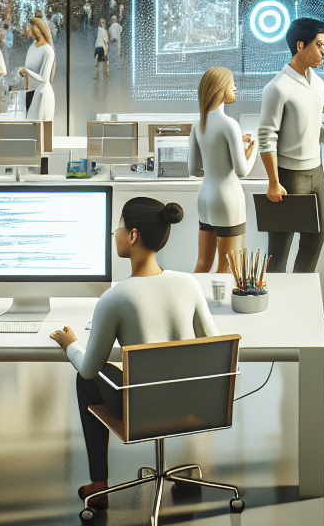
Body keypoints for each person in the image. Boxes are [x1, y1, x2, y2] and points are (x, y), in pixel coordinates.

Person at [49, 197, 218, 512]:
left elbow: (88, 369)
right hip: (191, 404)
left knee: (85, 379)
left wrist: (71, 344)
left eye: (119, 226)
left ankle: (99, 487)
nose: (115, 232)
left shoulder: (115, 298)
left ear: (133, 235)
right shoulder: (188, 284)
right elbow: (215, 345)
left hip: (143, 411)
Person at [259, 18, 324, 276]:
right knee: (279, 247)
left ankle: (301, 291)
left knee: (316, 237)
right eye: (319, 45)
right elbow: (267, 137)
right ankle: (275, 302)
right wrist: (273, 182)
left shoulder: (318, 84)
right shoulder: (276, 88)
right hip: (289, 176)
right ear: (300, 45)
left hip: (316, 173)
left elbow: (308, 124)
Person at [189, 67, 257, 273]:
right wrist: (252, 150)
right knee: (227, 266)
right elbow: (241, 170)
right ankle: (219, 305)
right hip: (228, 199)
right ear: (220, 90)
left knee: (202, 263)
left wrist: (215, 166)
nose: (235, 87)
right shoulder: (230, 125)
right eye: (231, 84)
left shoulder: (197, 125)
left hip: (205, 198)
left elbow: (194, 169)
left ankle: (192, 305)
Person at [17, 16, 55, 122]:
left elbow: (44, 78)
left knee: (40, 129)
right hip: (29, 92)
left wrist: (26, 71)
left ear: (39, 28)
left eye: (31, 27)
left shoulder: (47, 50)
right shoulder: (32, 48)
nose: (28, 30)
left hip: (41, 94)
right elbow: (29, 69)